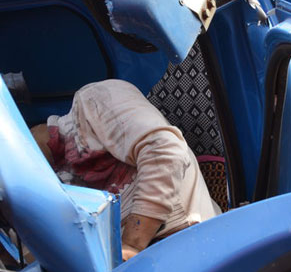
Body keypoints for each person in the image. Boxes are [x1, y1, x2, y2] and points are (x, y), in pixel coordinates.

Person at [30, 79, 219, 260]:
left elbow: (165, 150)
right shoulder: (56, 188)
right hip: (149, 268)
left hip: (194, 248)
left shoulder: (92, 102)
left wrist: (133, 244)